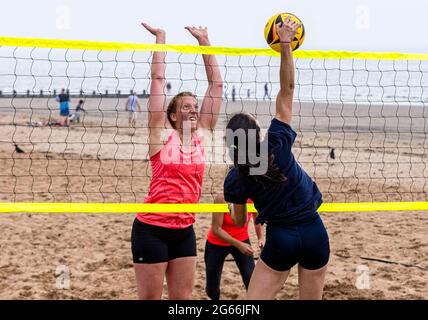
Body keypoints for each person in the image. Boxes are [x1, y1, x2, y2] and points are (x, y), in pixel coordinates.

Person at [223, 17, 330, 300]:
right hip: (314, 231)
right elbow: (288, 90)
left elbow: (238, 220)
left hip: (281, 238)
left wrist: (234, 204)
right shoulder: (276, 144)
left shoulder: (235, 178)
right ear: (258, 132)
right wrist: (285, 44)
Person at [131, 22, 223, 300]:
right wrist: (161, 39)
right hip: (151, 229)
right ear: (172, 116)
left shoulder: (202, 136)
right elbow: (158, 80)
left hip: (184, 229)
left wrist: (204, 41)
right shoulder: (160, 135)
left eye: (195, 107)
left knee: (182, 302)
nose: (193, 111)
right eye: (186, 107)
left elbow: (216, 85)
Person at [205, 193, 263, 300]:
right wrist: (239, 245)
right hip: (217, 243)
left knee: (251, 281)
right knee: (211, 290)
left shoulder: (253, 197)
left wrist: (260, 238)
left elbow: (257, 220)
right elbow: (216, 229)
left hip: (242, 240)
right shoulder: (221, 198)